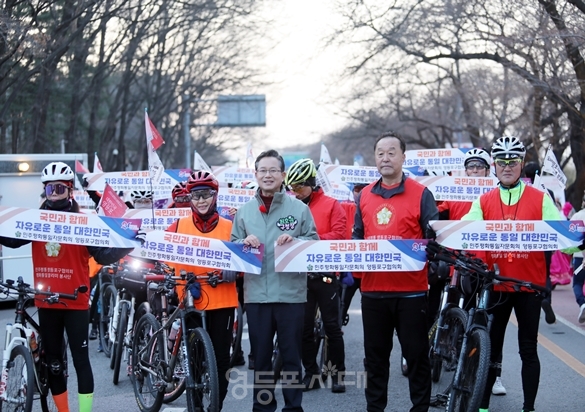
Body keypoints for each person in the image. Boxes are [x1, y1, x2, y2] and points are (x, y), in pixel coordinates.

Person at [0, 162, 136, 412]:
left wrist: (129, 244)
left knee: (81, 361)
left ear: (70, 190)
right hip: (46, 300)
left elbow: (103, 254)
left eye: (60, 188)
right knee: (53, 362)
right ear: (45, 190)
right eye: (50, 188)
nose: (54, 192)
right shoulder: (34, 220)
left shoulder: (84, 222)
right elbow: (11, 239)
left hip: (76, 301)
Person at [461, 136, 562, 412]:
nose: (507, 166)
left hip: (528, 287)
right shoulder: (483, 201)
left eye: (513, 161)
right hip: (496, 285)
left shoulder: (540, 199)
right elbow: (465, 235)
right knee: (490, 350)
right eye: (502, 162)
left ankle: (528, 408)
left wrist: (580, 237)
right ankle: (482, 405)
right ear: (494, 165)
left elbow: (563, 234)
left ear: (521, 163)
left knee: (528, 350)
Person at [353, 131, 437, 412]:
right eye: (380, 153)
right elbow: (357, 239)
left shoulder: (422, 194)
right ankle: (375, 408)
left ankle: (420, 407)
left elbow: (433, 239)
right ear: (374, 158)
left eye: (391, 152)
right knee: (375, 359)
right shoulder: (364, 195)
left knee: (416, 356)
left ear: (403, 157)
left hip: (411, 293)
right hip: (373, 292)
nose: (385, 158)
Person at [231, 149, 318, 412]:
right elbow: (233, 245)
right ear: (255, 174)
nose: (268, 175)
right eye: (263, 170)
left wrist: (296, 241)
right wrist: (243, 243)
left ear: (283, 175)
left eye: (273, 171)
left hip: (291, 295)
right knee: (262, 360)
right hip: (257, 296)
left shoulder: (299, 209)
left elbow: (314, 242)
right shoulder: (244, 212)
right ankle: (263, 406)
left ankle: (293, 407)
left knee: (292, 357)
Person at [166, 170, 238, 410]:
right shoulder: (177, 225)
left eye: (206, 194)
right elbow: (162, 254)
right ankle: (195, 405)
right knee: (194, 357)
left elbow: (246, 256)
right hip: (190, 299)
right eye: (196, 196)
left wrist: (236, 269)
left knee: (222, 361)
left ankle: (215, 405)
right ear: (190, 198)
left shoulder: (230, 226)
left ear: (215, 195)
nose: (201, 200)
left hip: (223, 299)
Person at [285, 158, 347, 393]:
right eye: (292, 188)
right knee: (304, 328)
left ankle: (337, 374)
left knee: (332, 326)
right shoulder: (291, 207)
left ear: (312, 182)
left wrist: (312, 241)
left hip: (326, 273)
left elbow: (340, 236)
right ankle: (311, 373)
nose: (296, 192)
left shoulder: (331, 204)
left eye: (300, 186)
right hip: (300, 274)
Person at [522, 161, 557, 325]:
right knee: (545, 272)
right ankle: (545, 297)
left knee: (528, 269)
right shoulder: (546, 192)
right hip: (545, 240)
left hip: (525, 239)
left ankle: (533, 296)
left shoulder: (522, 191)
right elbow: (555, 216)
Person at [570, 195, 585, 322]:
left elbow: (569, 237)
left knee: (577, 283)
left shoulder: (577, 216)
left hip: (579, 256)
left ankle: (582, 304)